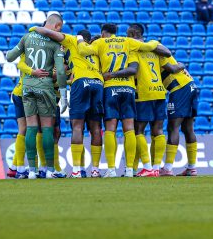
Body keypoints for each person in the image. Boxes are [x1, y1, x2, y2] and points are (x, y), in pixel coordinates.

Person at [75, 23, 170, 178]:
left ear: (103, 33)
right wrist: (154, 42)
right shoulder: (127, 42)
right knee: (130, 129)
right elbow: (148, 46)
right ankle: (130, 170)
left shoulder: (101, 42)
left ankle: (111, 169)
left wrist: (79, 39)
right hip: (128, 88)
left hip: (110, 88)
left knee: (110, 128)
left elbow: (83, 50)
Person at [29, 26, 105, 178]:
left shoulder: (71, 40)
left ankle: (76, 170)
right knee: (96, 127)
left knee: (77, 126)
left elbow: (50, 33)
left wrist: (35, 28)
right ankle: (95, 170)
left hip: (81, 82)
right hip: (98, 83)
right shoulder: (95, 47)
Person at [5, 13, 68, 179]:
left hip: (27, 88)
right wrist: (63, 94)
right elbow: (61, 72)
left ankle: (31, 170)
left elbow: (10, 57)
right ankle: (49, 170)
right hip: (45, 87)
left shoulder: (27, 37)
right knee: (47, 128)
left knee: (31, 127)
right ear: (57, 26)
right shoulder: (56, 44)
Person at [127, 23, 171, 177]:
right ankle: (156, 167)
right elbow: (169, 64)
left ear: (133, 34)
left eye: (127, 34)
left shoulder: (134, 50)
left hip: (144, 93)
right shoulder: (156, 50)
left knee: (138, 130)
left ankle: (147, 167)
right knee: (158, 130)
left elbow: (133, 70)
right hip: (159, 92)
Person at [6, 56, 48, 179]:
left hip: (18, 91)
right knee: (32, 129)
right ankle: (31, 168)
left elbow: (19, 63)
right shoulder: (39, 54)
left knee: (23, 129)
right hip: (27, 94)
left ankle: (15, 167)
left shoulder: (27, 53)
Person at [159, 56, 199, 176]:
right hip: (191, 85)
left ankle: (167, 168)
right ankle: (192, 168)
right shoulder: (162, 53)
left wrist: (181, 65)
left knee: (173, 127)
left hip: (180, 88)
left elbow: (172, 69)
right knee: (188, 128)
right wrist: (181, 65)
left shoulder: (156, 53)